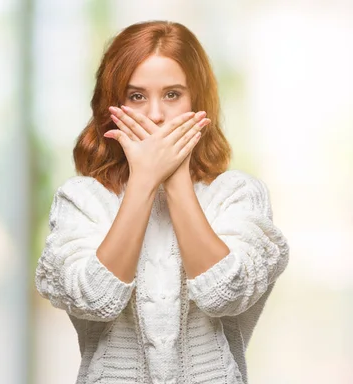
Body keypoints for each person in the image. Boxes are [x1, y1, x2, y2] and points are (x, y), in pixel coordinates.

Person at [34, 20, 290, 384]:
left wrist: (174, 176)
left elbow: (226, 294)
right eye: (137, 96)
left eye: (172, 95)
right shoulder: (82, 199)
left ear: (198, 103)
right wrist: (143, 180)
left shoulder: (237, 194)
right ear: (113, 105)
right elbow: (95, 298)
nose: (155, 114)